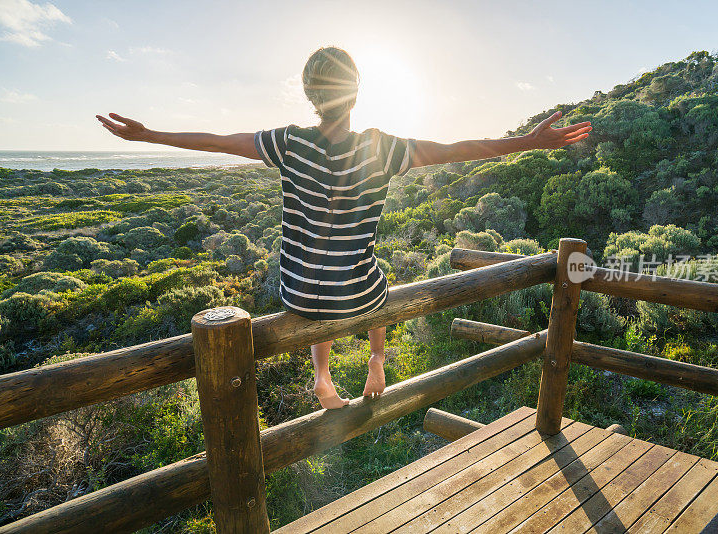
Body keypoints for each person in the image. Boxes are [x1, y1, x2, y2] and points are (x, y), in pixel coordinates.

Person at [96, 46, 592, 410]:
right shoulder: (382, 148)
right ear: (355, 92)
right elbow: (459, 148)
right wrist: (527, 143)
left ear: (311, 96)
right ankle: (377, 358)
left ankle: (322, 374)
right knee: (373, 272)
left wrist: (151, 135)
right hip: (356, 294)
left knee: (320, 269)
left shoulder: (288, 142)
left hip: (297, 294)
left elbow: (218, 141)